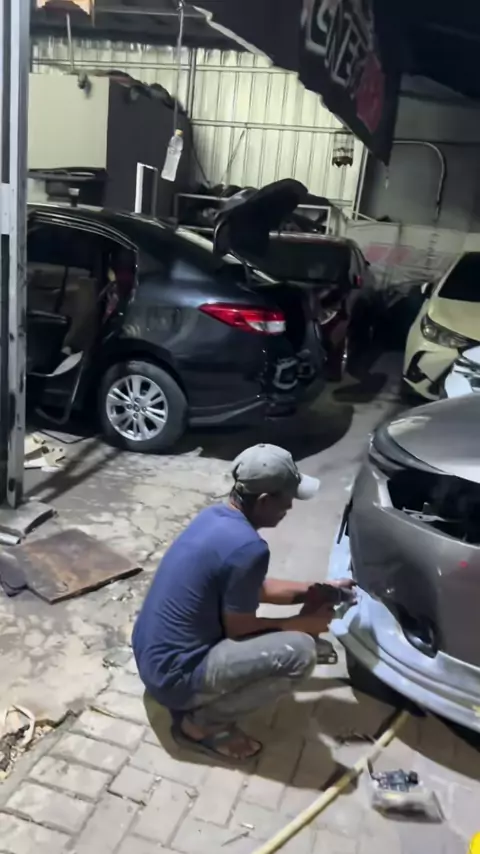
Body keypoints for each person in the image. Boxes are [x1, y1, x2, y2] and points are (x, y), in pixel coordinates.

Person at [133, 443, 352, 763]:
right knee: (300, 653)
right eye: (286, 498)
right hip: (175, 678)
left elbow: (255, 588)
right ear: (264, 501)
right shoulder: (249, 548)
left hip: (153, 658)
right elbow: (241, 630)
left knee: (294, 638)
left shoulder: (214, 517)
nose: (290, 506)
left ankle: (200, 699)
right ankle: (200, 726)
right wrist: (303, 626)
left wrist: (318, 590)